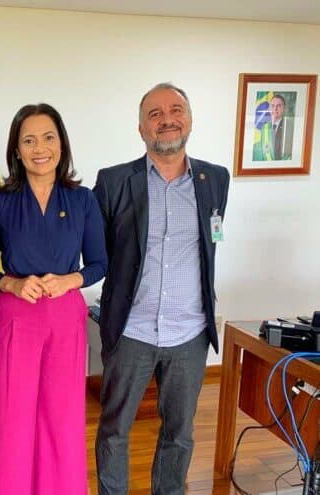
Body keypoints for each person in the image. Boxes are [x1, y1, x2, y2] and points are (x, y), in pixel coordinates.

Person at [93, 83, 230, 495]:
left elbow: (211, 241)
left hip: (189, 332)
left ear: (190, 119)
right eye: (155, 114)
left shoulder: (215, 179)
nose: (166, 120)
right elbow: (99, 250)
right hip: (131, 330)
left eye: (175, 110)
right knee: (115, 429)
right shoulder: (114, 181)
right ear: (141, 128)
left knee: (180, 433)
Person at [0, 103, 108, 495]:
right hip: (15, 318)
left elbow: (100, 263)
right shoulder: (0, 201)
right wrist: (11, 284)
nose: (40, 148)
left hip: (66, 318)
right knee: (14, 420)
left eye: (48, 137)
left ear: (62, 144)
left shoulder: (83, 200)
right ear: (17, 151)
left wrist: (71, 280)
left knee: (62, 419)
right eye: (29, 140)